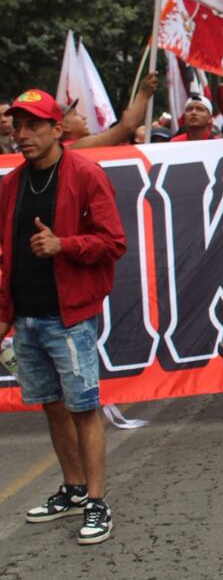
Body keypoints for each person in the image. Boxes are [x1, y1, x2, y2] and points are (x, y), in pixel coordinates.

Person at [0, 89, 126, 545]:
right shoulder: (11, 186)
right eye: (17, 125)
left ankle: (97, 501)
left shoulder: (86, 175)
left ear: (58, 129)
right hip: (27, 321)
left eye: (33, 125)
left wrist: (63, 245)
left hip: (70, 319)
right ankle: (73, 489)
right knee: (52, 408)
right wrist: (4, 315)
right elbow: (5, 257)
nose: (22, 134)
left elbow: (113, 243)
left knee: (83, 410)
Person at [59, 72, 159, 148]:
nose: (83, 117)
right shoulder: (75, 147)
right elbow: (127, 127)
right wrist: (143, 95)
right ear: (64, 126)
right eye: (75, 114)